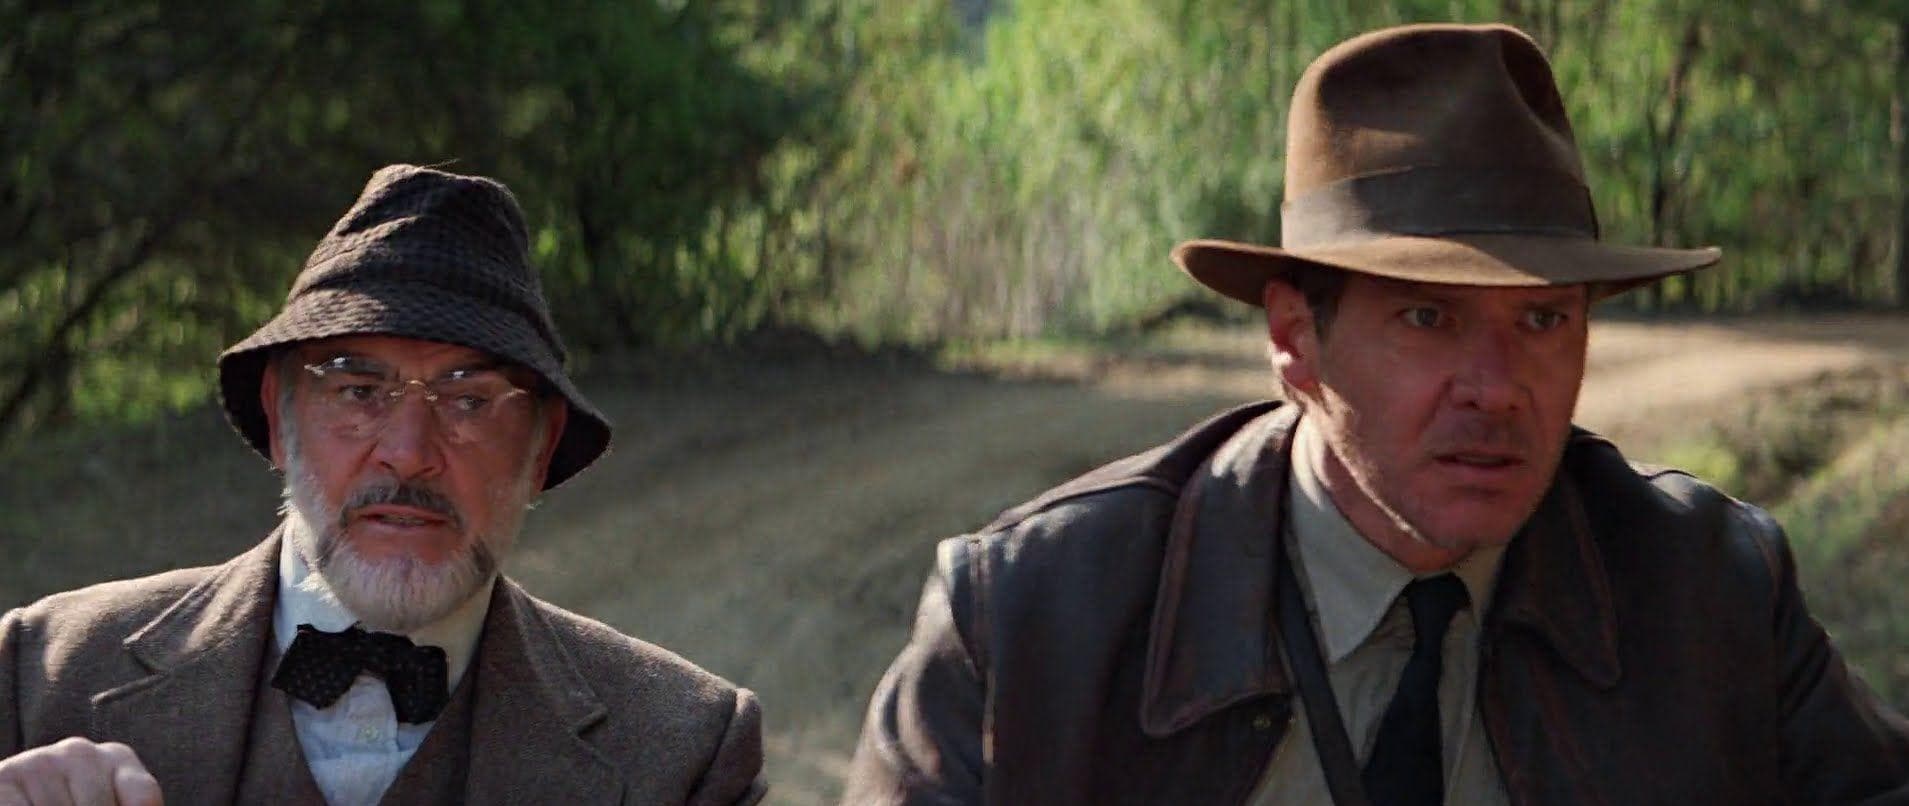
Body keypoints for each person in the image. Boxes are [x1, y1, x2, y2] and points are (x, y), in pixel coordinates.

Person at [845, 23, 1909, 805]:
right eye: (1427, 316)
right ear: (1293, 339)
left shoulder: (1710, 592)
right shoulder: (1032, 615)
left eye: (1543, 320)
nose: (1496, 386)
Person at [0, 165, 765, 805]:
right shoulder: (38, 679)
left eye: (470, 401)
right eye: (357, 391)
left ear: (540, 447)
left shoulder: (684, 751)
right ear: (279, 420)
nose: (407, 454)